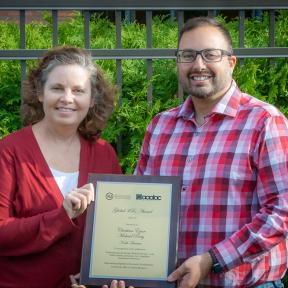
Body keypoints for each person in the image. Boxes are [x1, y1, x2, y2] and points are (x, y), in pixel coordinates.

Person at [135, 17, 288, 287]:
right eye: (188, 55)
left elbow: (282, 211)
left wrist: (210, 261)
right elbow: (137, 207)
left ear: (231, 62)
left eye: (210, 54)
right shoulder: (160, 126)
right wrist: (115, 264)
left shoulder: (264, 122)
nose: (198, 65)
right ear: (178, 63)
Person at [0, 46, 122, 288]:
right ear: (40, 93)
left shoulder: (103, 153)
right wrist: (61, 217)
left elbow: (114, 228)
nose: (67, 98)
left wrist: (106, 275)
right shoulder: (8, 151)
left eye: (78, 90)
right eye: (57, 88)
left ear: (91, 99)